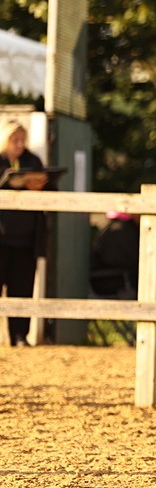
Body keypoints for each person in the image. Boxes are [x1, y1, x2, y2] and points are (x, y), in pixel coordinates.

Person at [90, 212, 156, 347]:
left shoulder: (116, 229)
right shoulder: (122, 232)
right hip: (121, 283)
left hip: (121, 280)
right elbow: (136, 263)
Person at [0, 118, 49, 347]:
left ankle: (19, 336)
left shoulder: (33, 160)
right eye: (14, 139)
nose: (19, 144)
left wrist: (41, 184)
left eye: (22, 140)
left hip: (27, 240)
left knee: (22, 289)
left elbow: (52, 188)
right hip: (2, 238)